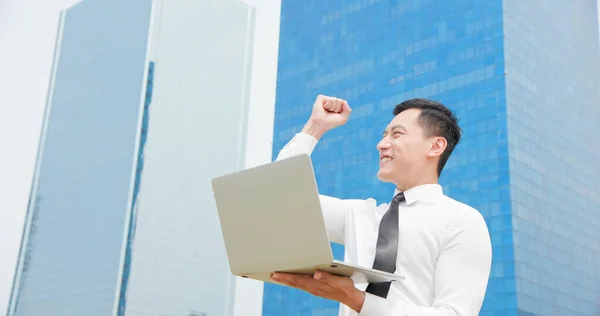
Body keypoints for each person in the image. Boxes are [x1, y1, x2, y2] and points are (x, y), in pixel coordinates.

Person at [269, 95, 492, 316]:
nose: (381, 144)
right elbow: (277, 195)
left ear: (435, 146)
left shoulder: (462, 221)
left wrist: (358, 301)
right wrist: (315, 127)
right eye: (384, 135)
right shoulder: (358, 215)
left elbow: (454, 313)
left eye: (397, 134)